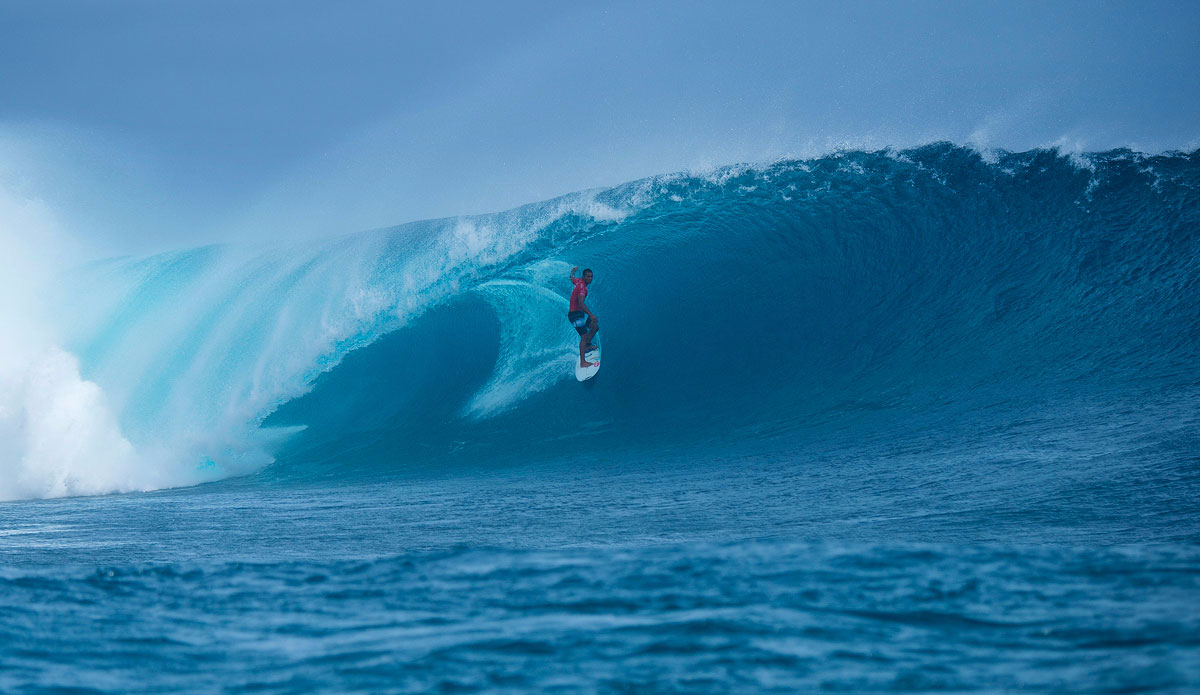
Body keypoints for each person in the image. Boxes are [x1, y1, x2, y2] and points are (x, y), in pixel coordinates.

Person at [568, 266, 599, 367]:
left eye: (591, 276)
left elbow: (571, 278)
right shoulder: (582, 289)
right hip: (575, 315)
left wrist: (572, 272)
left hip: (580, 313)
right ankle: (583, 362)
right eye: (588, 276)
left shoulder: (578, 281)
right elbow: (581, 303)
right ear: (583, 277)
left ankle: (587, 346)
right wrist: (591, 315)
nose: (590, 278)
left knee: (595, 327)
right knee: (584, 337)